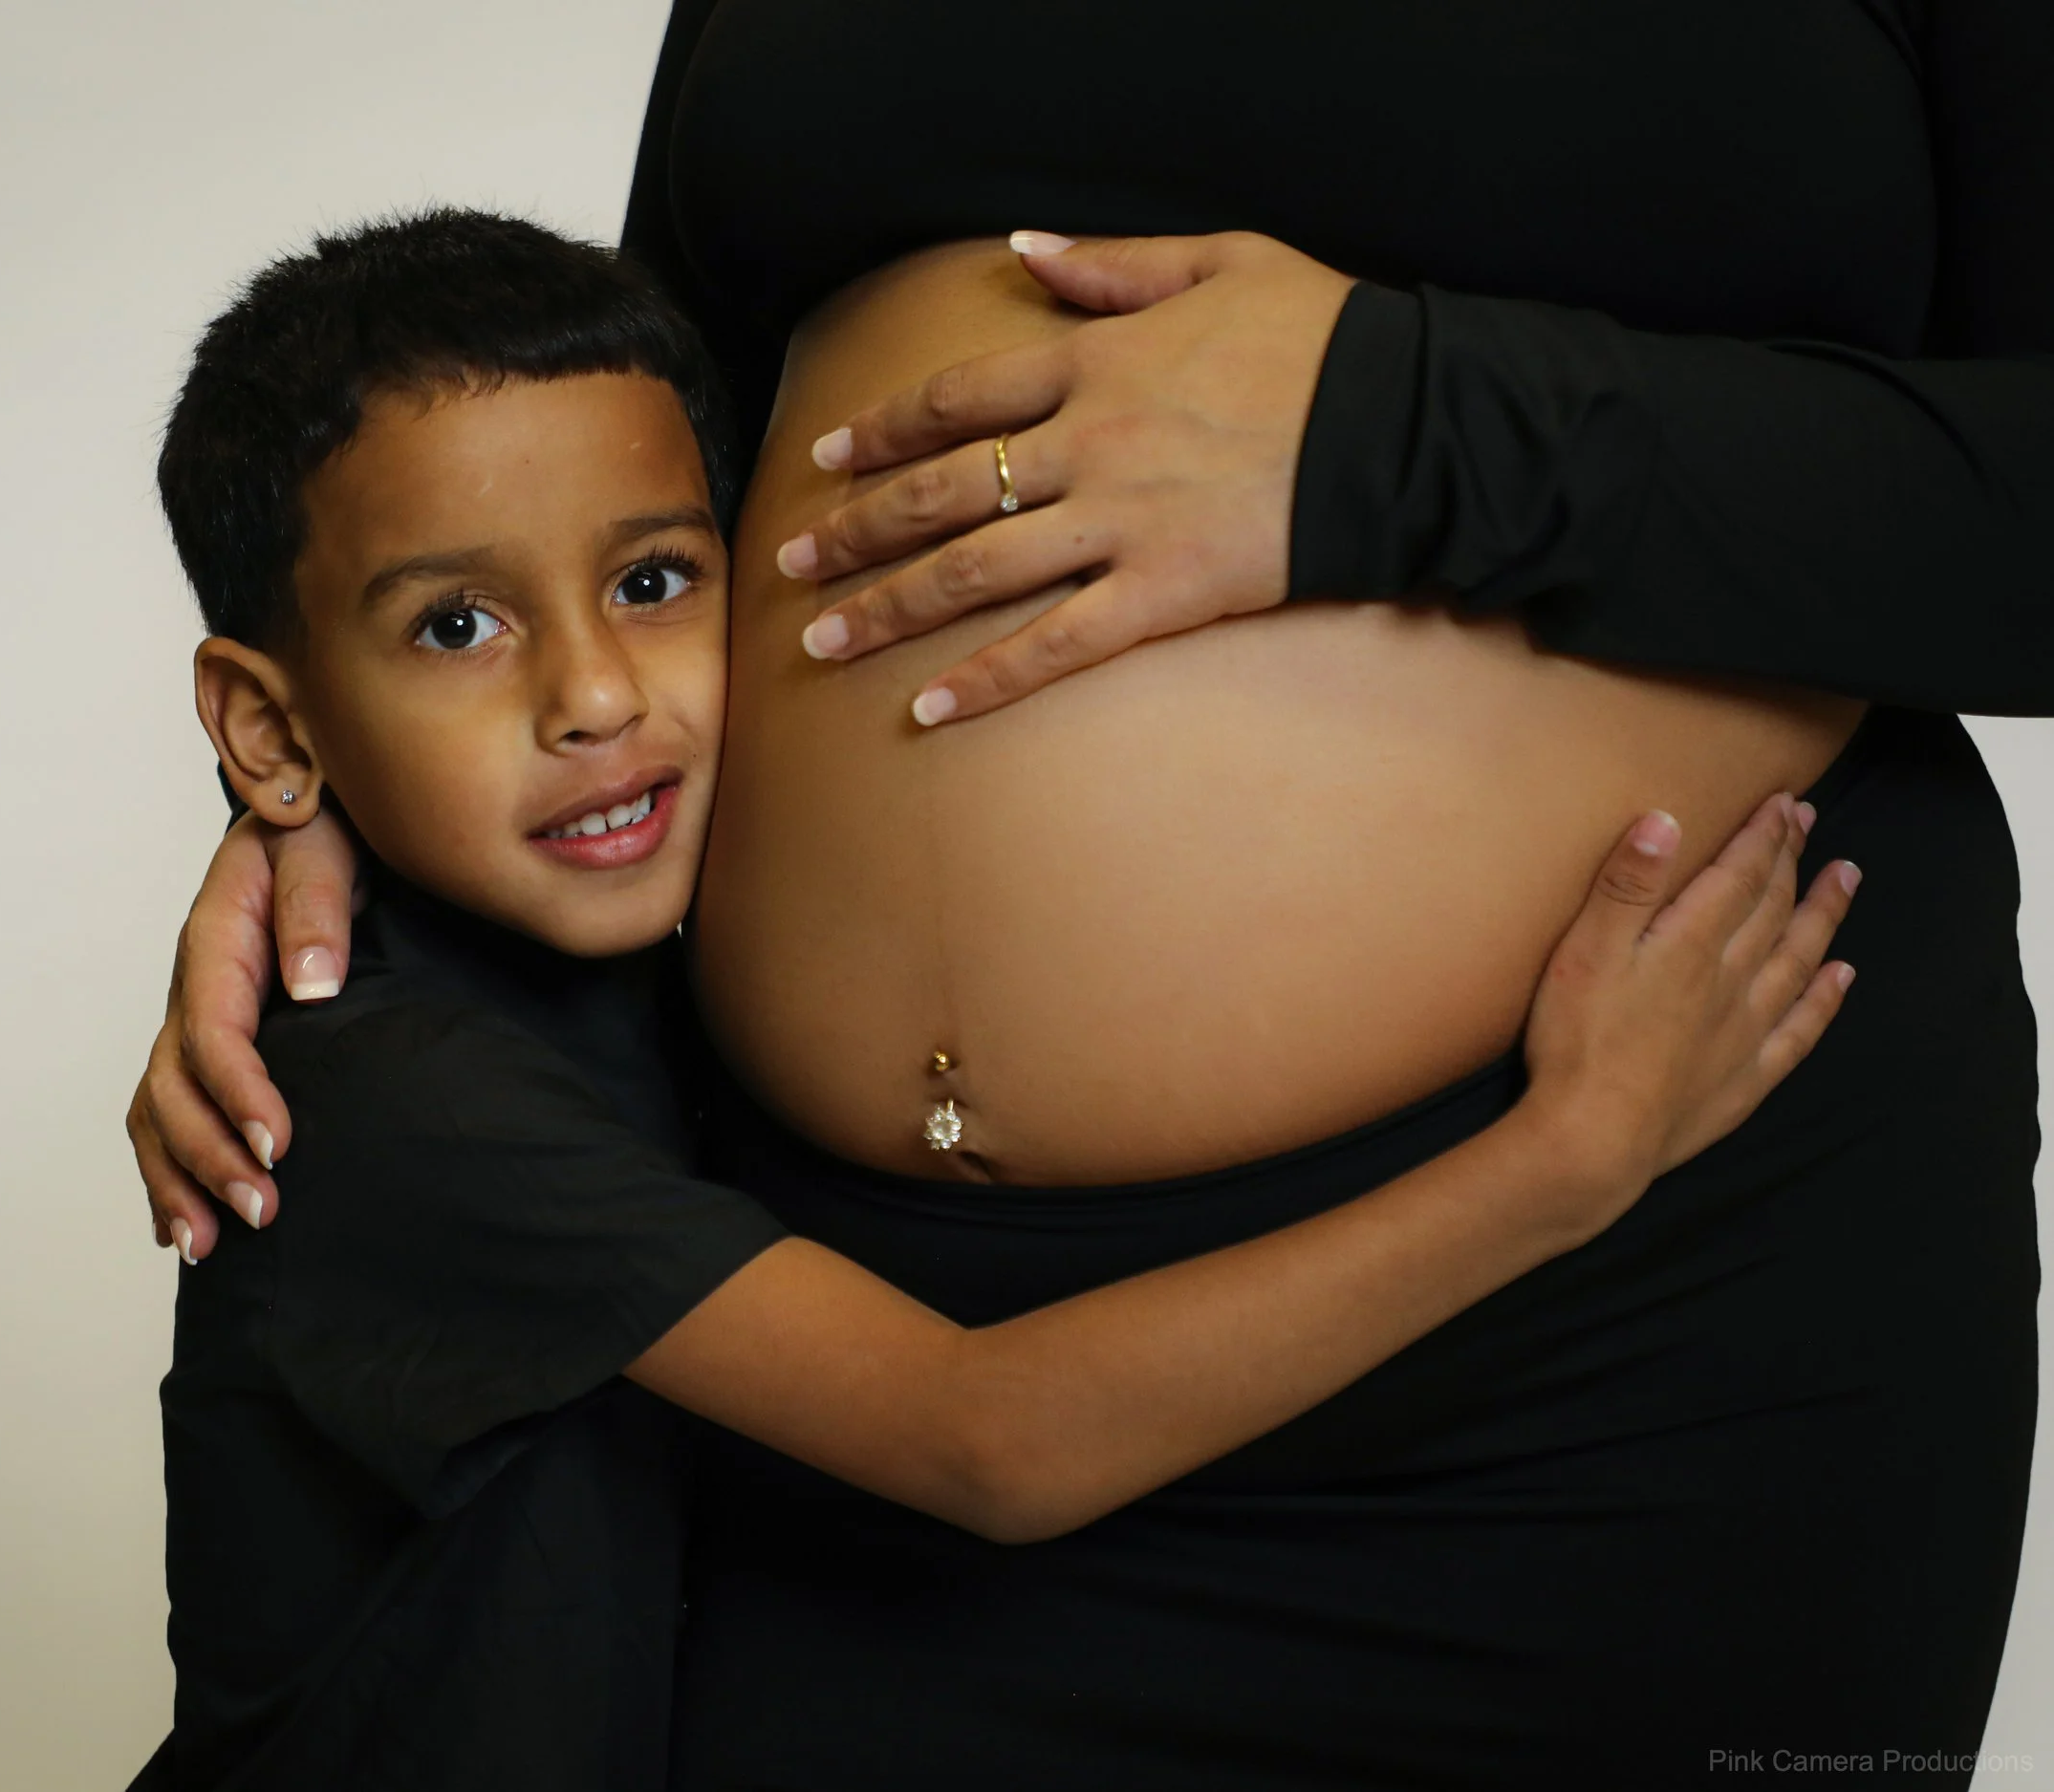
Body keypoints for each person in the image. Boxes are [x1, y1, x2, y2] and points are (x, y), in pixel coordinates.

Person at [133, 3, 2051, 1782]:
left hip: (1637, 1292)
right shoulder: (435, 1126)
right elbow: (649, 396)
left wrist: (1400, 416)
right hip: (844, 1330)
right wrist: (345, 801)